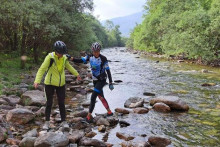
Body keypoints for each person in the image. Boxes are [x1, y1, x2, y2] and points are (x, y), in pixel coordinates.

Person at [34, 41, 81, 129]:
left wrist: (76, 74)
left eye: (63, 53)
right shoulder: (50, 58)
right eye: (60, 53)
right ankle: (47, 122)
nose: (61, 55)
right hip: (49, 84)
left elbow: (69, 66)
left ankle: (64, 121)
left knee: (61, 103)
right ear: (56, 51)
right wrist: (37, 80)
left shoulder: (64, 58)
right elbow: (42, 69)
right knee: (49, 103)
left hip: (61, 84)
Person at [67, 42, 114, 123]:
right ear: (92, 51)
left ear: (99, 50)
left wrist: (110, 82)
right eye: (94, 51)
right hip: (95, 80)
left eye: (97, 51)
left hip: (102, 80)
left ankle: (88, 117)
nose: (96, 53)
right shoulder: (89, 57)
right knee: (101, 96)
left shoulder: (103, 58)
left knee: (93, 97)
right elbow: (81, 60)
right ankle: (109, 112)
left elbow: (108, 71)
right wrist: (71, 58)